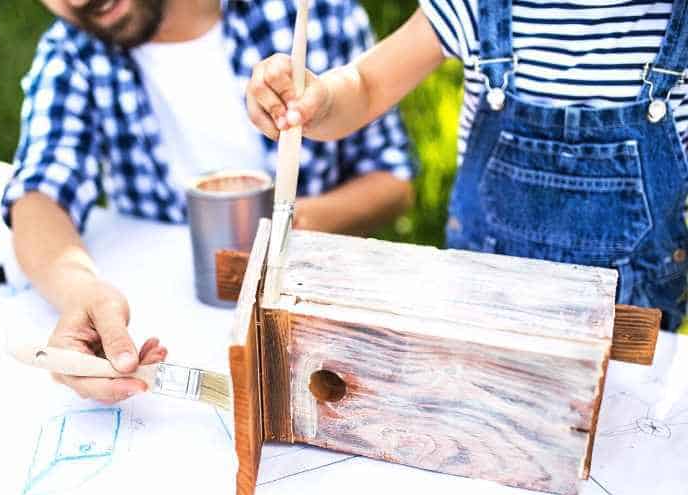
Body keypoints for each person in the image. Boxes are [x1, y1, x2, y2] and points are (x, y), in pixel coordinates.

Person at [2, 0, 417, 403]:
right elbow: (38, 196)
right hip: (172, 327)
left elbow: (393, 181)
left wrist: (290, 229)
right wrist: (80, 291)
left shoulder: (311, 12)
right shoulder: (73, 53)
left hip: (310, 321)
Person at [247, 1, 688, 331]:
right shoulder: (475, 6)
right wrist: (320, 101)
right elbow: (365, 85)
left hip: (630, 335)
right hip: (479, 317)